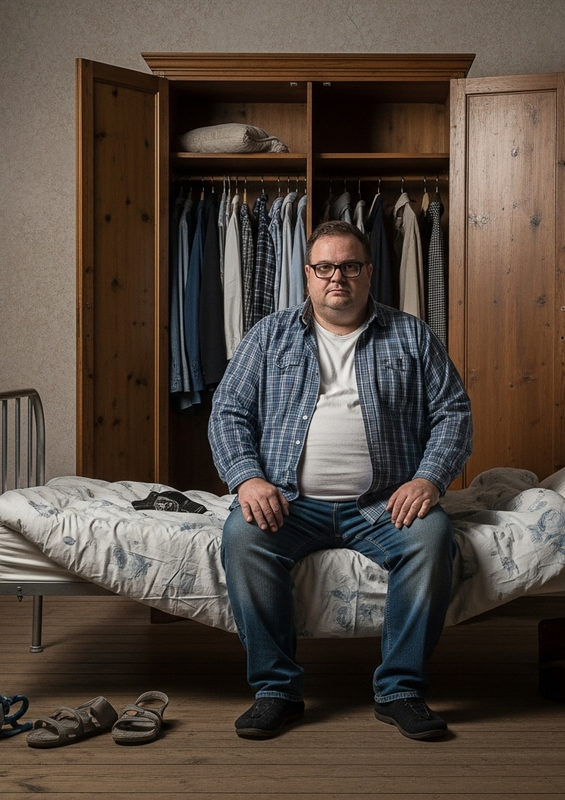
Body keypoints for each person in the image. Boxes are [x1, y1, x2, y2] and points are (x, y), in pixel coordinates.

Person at [209, 220, 473, 740]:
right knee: (242, 537)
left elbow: (453, 413)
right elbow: (227, 412)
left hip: (381, 504)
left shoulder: (411, 334)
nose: (338, 278)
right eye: (325, 267)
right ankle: (276, 691)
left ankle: (400, 689)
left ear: (369, 272)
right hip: (288, 502)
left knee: (432, 536)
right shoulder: (268, 335)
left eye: (350, 266)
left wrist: (429, 479)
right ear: (307, 275)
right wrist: (246, 480)